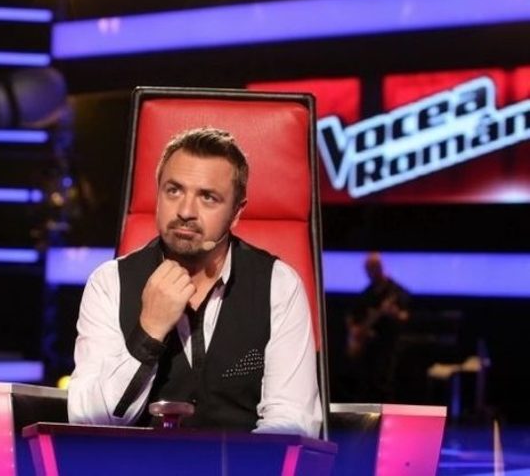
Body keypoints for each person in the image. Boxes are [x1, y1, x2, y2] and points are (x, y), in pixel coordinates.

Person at [67, 127, 322, 438]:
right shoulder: (109, 283)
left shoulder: (278, 285)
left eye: (208, 197)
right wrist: (148, 332)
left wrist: (226, 462)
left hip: (240, 463)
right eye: (174, 190)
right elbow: (89, 424)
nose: (186, 211)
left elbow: (292, 423)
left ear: (236, 212)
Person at [344, 252, 410, 402]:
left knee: (385, 383)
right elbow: (351, 316)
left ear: (380, 268)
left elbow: (406, 316)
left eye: (372, 269)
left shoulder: (396, 291)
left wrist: (395, 314)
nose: (370, 273)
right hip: (367, 350)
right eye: (368, 270)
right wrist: (355, 331)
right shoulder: (366, 293)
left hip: (389, 346)